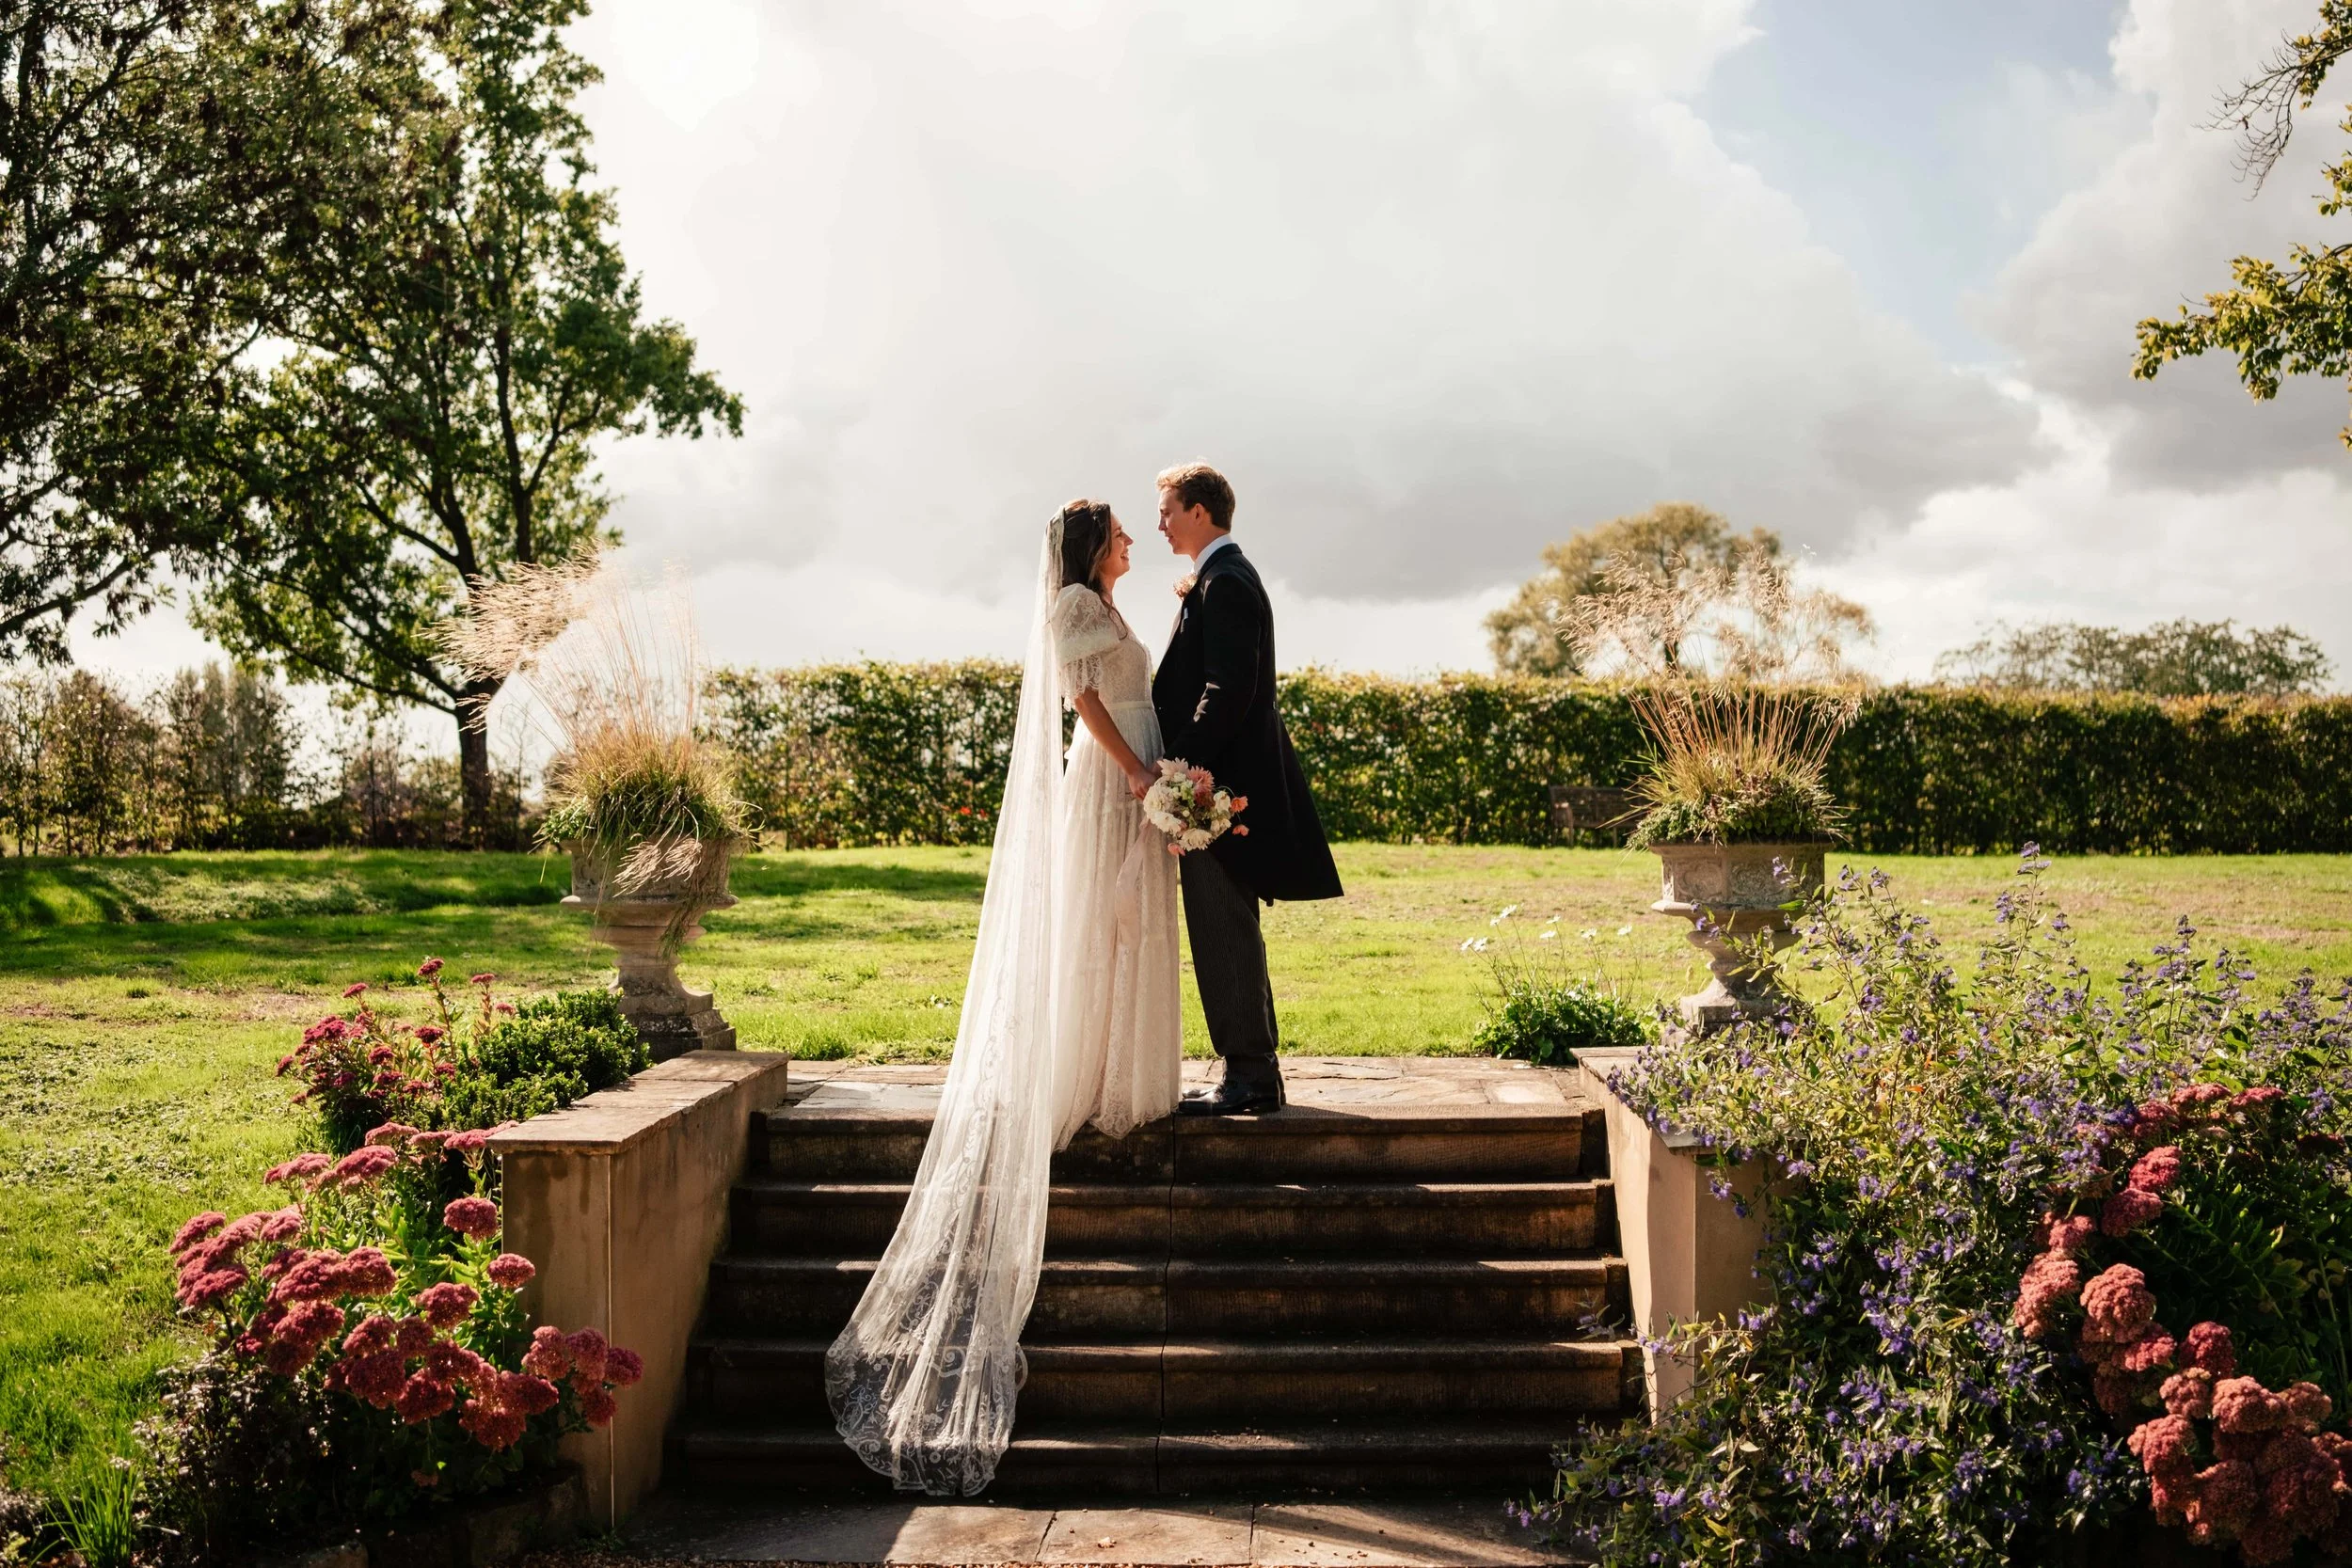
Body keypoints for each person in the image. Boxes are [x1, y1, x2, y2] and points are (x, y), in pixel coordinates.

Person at [824, 499, 1182, 1496]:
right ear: (1087, 546)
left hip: (1142, 776)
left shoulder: (1101, 599)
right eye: (1119, 534)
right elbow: (1086, 702)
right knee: (1098, 926)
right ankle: (1083, 1070)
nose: (1127, 546)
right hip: (1112, 777)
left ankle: (1126, 1067)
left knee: (1131, 927)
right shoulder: (1073, 601)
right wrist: (1140, 774)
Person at [1152, 463, 1344, 1116]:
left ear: (1200, 511)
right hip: (1219, 786)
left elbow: (1227, 691)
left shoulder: (1226, 580)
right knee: (1227, 925)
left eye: (1169, 509)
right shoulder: (1223, 576)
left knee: (1221, 924)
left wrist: (1181, 769)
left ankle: (1250, 1076)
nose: (1161, 522)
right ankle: (1252, 1068)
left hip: (1216, 791)